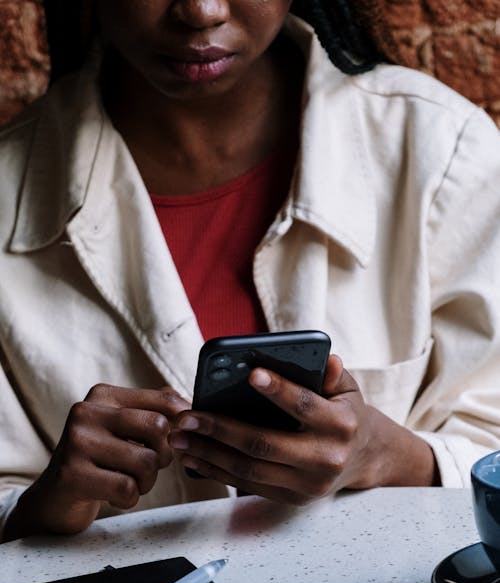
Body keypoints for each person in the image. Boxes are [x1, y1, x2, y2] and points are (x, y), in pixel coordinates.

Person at [1, 0, 499, 541]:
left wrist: (388, 456)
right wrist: (45, 507)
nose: (201, 12)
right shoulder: (9, 193)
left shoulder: (441, 151)